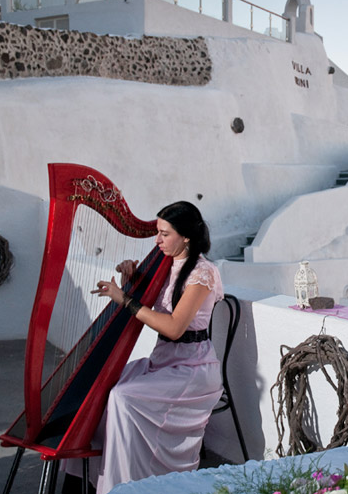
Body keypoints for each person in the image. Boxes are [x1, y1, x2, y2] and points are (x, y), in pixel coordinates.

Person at [63, 201, 224, 494]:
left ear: (186, 236)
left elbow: (174, 327)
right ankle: (82, 482)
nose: (157, 240)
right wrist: (132, 279)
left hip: (193, 371)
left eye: (164, 233)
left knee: (123, 398)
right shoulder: (166, 264)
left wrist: (124, 299)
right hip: (161, 362)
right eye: (157, 232)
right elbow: (152, 301)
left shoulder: (202, 273)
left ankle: (126, 486)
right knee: (100, 388)